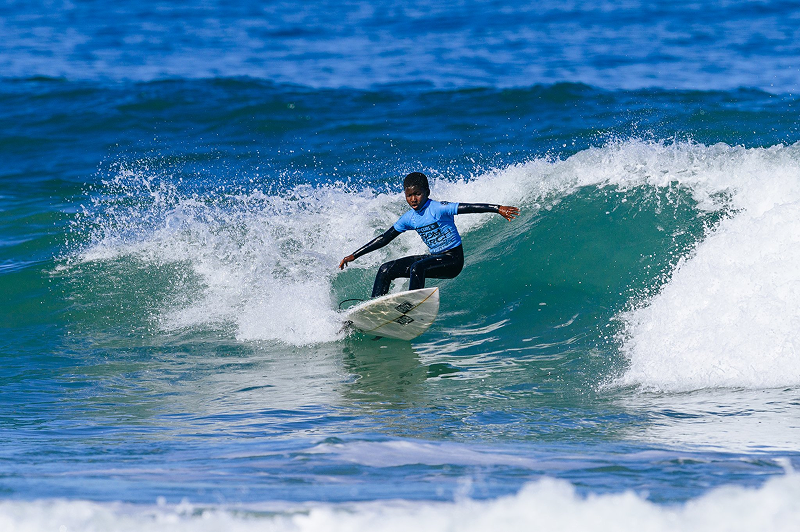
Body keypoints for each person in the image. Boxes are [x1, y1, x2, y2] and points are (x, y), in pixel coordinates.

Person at [338, 172, 520, 298]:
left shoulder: (439, 208)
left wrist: (497, 209)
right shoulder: (409, 218)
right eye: (409, 195)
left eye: (417, 194)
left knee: (417, 267)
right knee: (385, 269)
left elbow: (469, 207)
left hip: (453, 261)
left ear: (427, 192)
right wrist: (354, 255)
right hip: (435, 259)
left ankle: (412, 305)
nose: (413, 199)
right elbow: (385, 238)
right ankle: (374, 309)